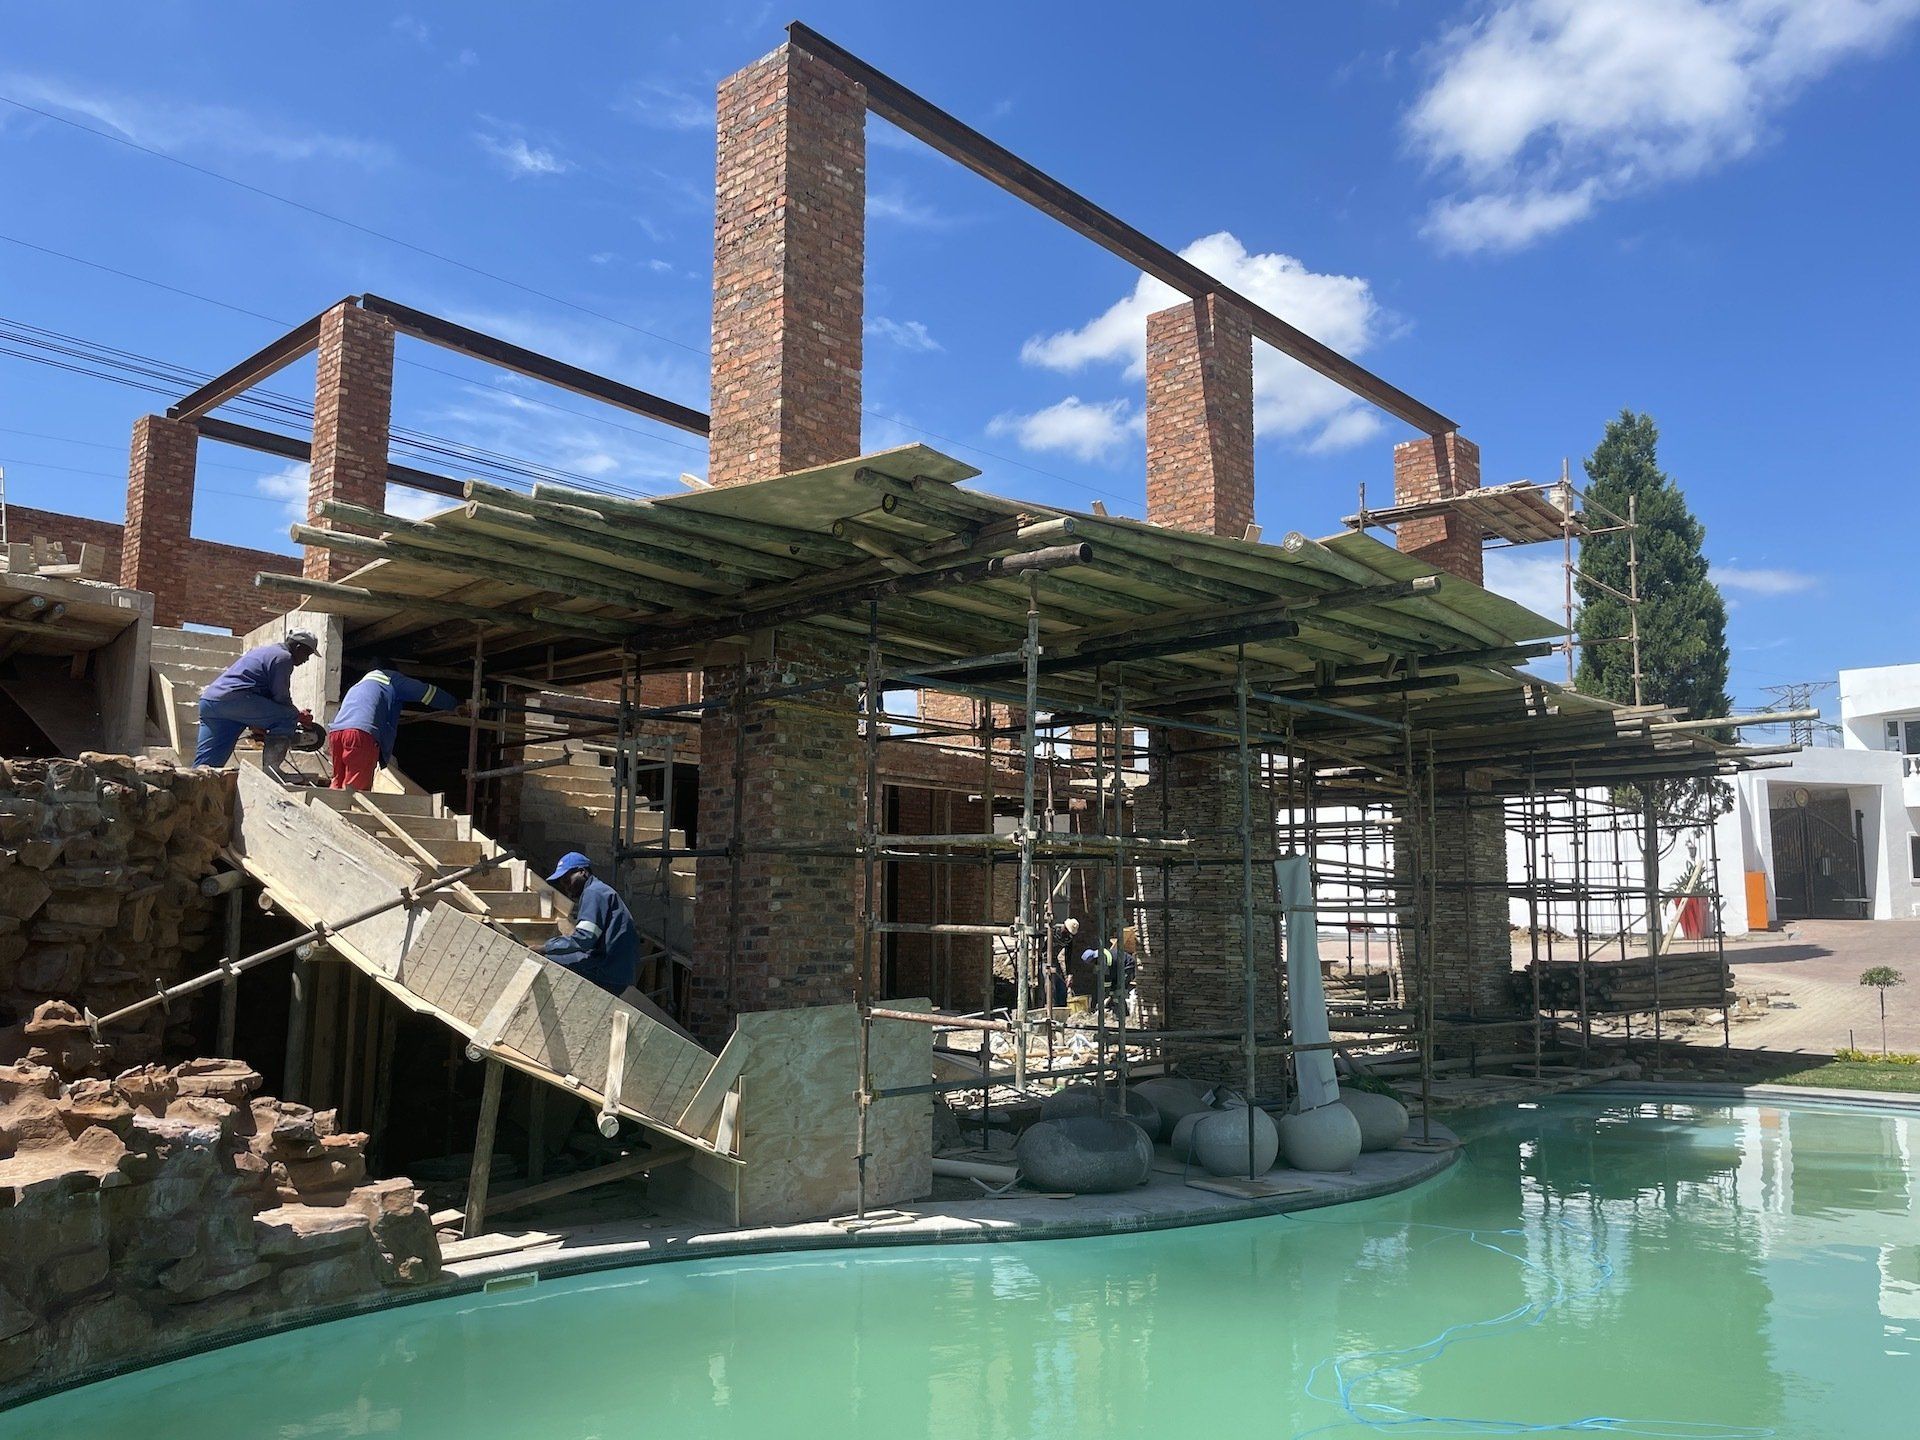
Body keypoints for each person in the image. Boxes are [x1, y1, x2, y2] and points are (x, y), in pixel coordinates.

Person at [195, 630, 317, 769]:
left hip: (211, 702)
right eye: (307, 654)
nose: (306, 660)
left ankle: (192, 785)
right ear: (298, 648)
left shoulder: (263, 651)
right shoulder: (284, 658)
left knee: (208, 765)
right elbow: (281, 697)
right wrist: (298, 715)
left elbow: (256, 689)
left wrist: (258, 723)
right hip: (235, 701)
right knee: (288, 716)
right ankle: (272, 772)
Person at [327, 666, 460, 791]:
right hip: (360, 733)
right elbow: (426, 693)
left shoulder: (360, 685)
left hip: (336, 733)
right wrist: (455, 705)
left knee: (337, 784)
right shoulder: (391, 679)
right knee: (356, 791)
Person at [541, 852, 640, 995]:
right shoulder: (599, 890)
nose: (566, 886)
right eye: (562, 883)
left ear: (582, 872)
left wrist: (545, 947)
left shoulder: (593, 893)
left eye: (567, 880)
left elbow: (585, 938)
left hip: (606, 970)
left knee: (547, 961)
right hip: (617, 970)